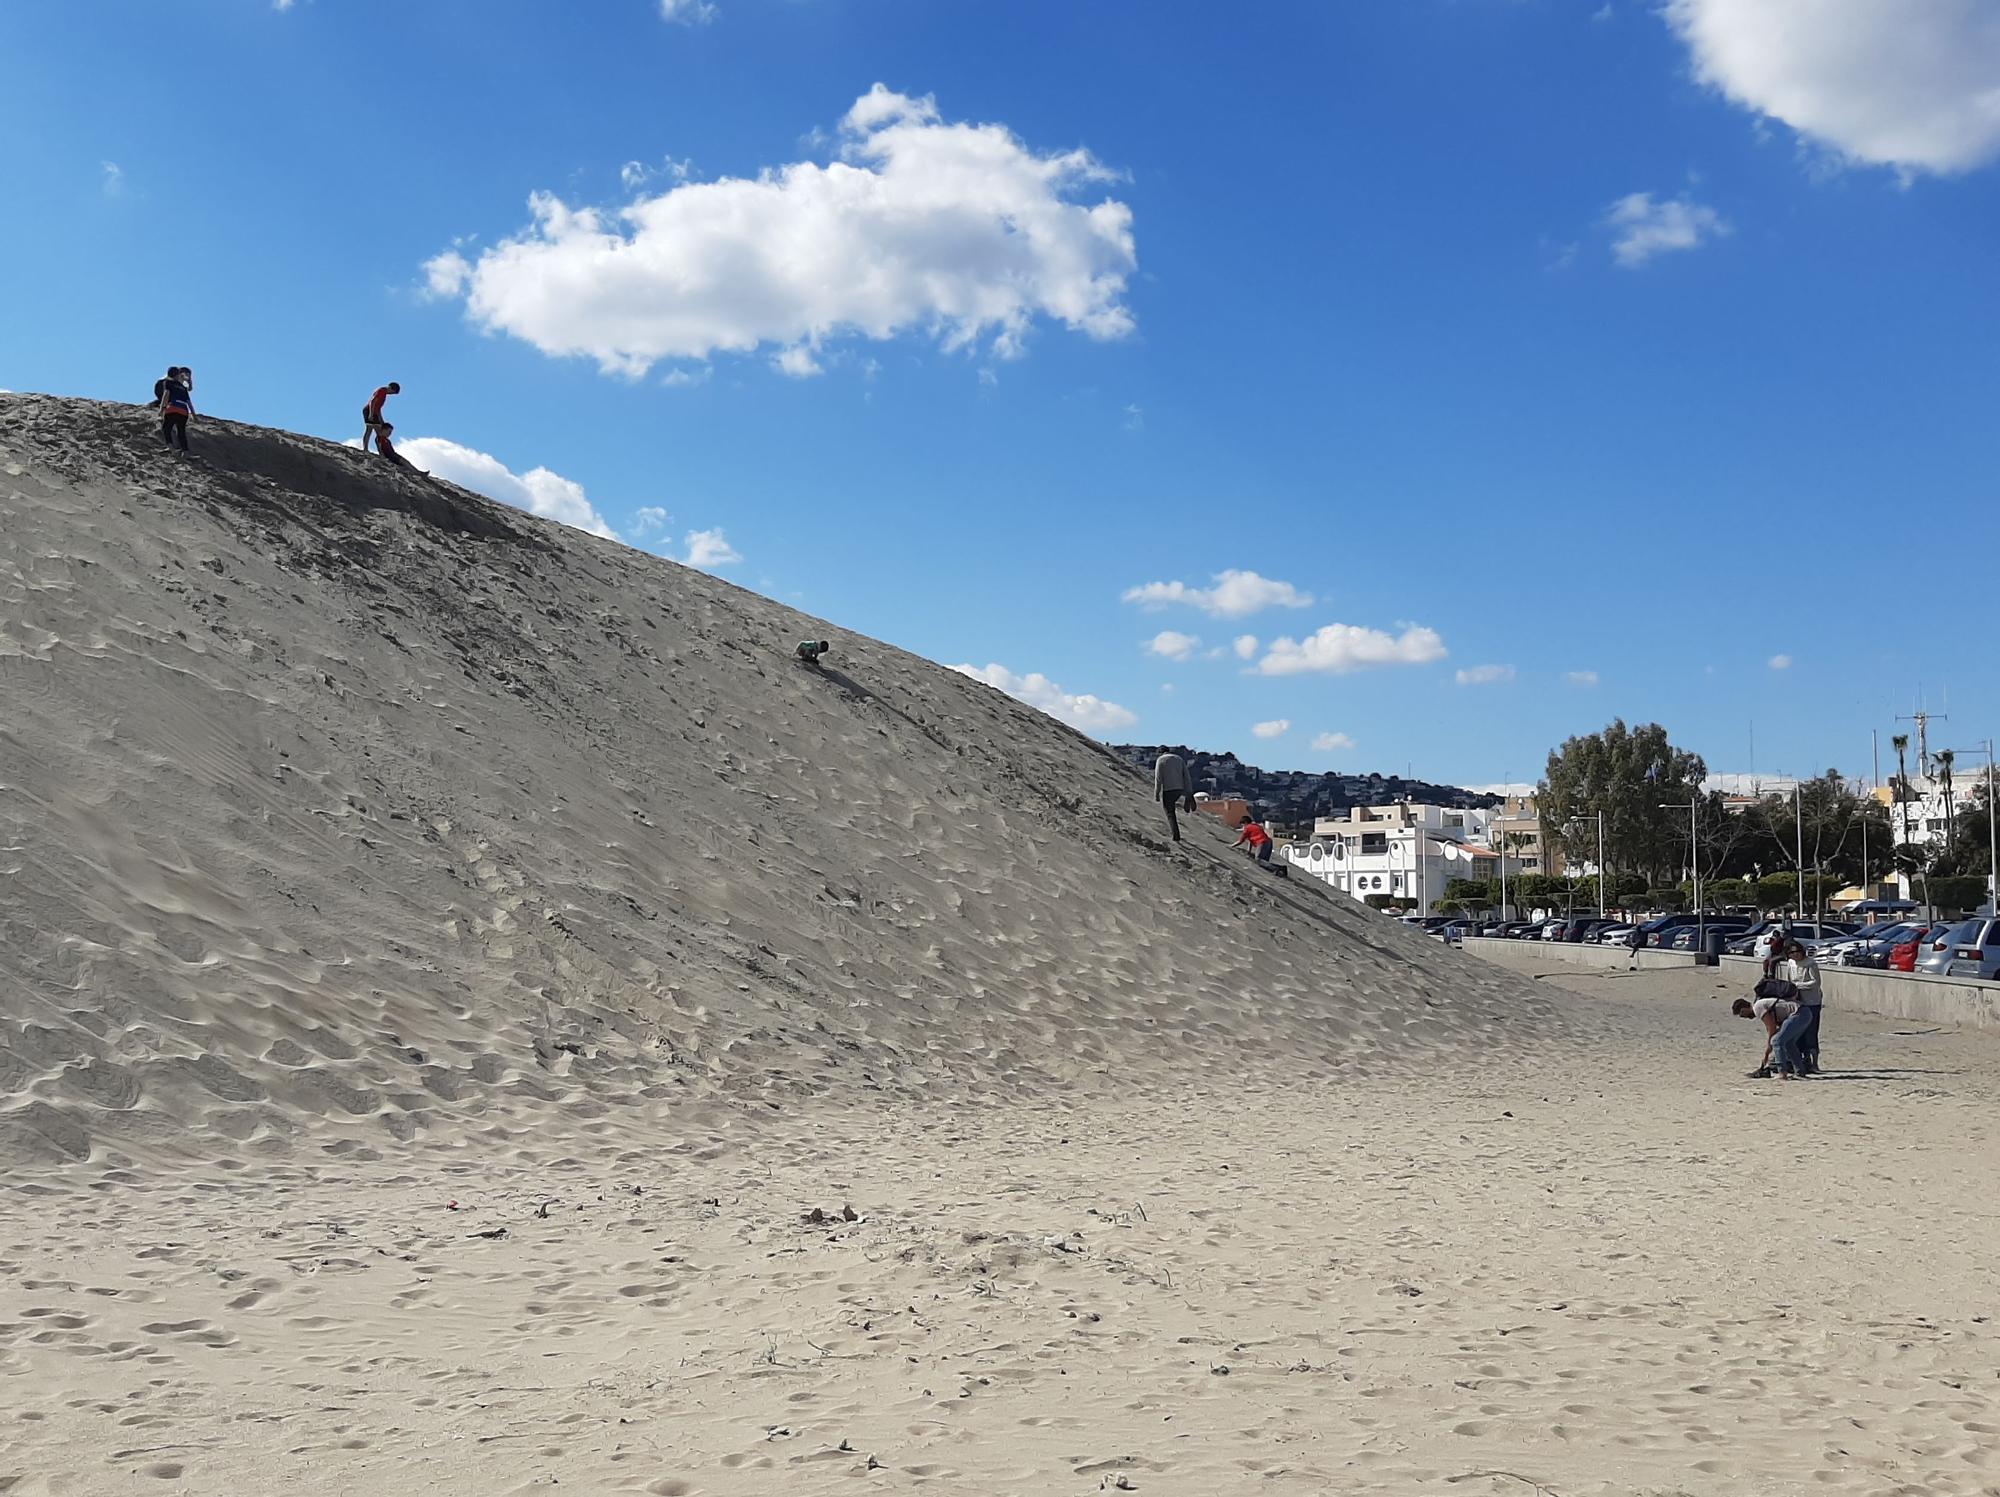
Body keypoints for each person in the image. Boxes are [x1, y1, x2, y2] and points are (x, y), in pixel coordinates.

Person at [1733, 977, 1808, 1080]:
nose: (1745, 1017)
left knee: (1777, 1041)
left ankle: (1782, 1073)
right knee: (1788, 1043)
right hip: (1804, 1013)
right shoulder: (1760, 1005)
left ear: (1743, 1010)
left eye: (1742, 1015)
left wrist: (1768, 1048)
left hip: (1799, 1014)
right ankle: (1800, 1071)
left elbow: (1771, 1027)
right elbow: (1772, 1027)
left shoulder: (1757, 1007)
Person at [1777, 938, 1825, 1075]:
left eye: (1796, 953)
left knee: (1811, 1033)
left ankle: (1814, 1062)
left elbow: (1815, 983)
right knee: (1797, 1033)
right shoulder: (1791, 963)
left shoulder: (1810, 963)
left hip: (1812, 1001)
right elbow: (1789, 980)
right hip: (1797, 1002)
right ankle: (1799, 1061)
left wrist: (1799, 986)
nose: (1794, 956)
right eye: (1791, 954)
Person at [1152, 752, 1194, 842]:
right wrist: (1189, 791)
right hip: (1179, 789)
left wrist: (1157, 794)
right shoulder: (1179, 758)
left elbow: (1158, 778)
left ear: (1160, 753)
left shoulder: (1160, 760)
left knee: (1170, 812)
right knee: (1173, 806)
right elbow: (1186, 776)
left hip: (1168, 790)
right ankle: (1189, 798)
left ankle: (1176, 836)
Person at [158, 368, 194, 452]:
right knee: (180, 431)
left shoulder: (171, 382)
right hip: (183, 410)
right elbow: (188, 401)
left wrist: (162, 409)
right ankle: (185, 451)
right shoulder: (180, 385)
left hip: (173, 408)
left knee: (166, 428)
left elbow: (166, 395)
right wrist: (194, 415)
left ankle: (171, 447)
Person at [362, 381, 401, 452]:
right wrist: (371, 414)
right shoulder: (381, 391)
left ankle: (379, 451)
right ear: (390, 388)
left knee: (379, 431)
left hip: (374, 412)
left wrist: (381, 419)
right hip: (369, 410)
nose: (391, 394)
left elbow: (378, 408)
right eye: (392, 392)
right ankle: (366, 449)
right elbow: (372, 402)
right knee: (370, 430)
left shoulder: (384, 394)